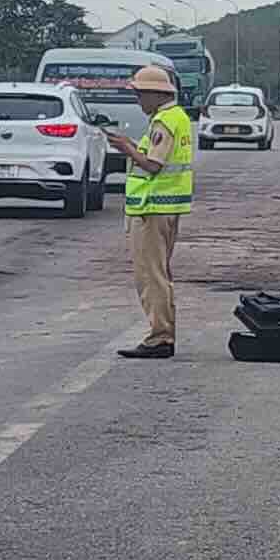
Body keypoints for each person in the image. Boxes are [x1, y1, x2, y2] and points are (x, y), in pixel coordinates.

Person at [106, 65, 195, 359]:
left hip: (152, 207)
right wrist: (132, 145)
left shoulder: (164, 122)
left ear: (157, 94)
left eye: (140, 94)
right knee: (160, 273)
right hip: (165, 206)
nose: (138, 101)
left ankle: (160, 337)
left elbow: (153, 165)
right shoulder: (176, 117)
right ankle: (163, 334)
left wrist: (126, 149)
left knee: (151, 275)